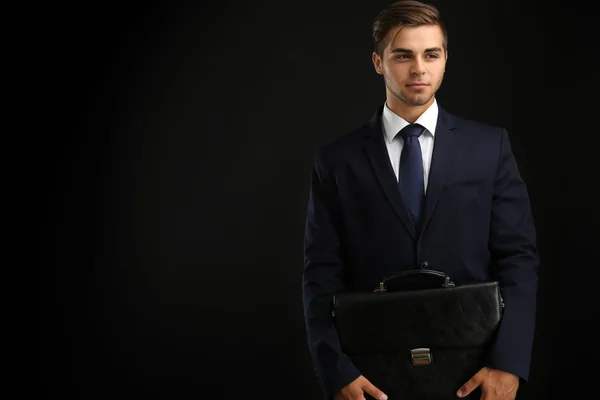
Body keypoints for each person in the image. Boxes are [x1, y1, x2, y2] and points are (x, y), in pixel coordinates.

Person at [301, 1, 539, 399]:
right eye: (403, 55)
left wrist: (508, 364)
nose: (418, 69)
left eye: (431, 54)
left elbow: (519, 259)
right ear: (378, 62)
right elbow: (320, 273)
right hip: (372, 374)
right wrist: (335, 371)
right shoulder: (337, 159)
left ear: (446, 59)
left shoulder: (489, 147)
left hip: (475, 370)